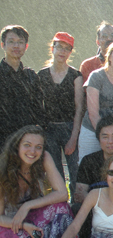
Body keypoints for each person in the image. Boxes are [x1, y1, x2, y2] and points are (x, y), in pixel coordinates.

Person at [0, 125, 77, 238]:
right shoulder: (4, 169)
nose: (32, 151)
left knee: (62, 208)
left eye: (38, 147)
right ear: (17, 146)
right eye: (27, 145)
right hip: (10, 225)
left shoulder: (44, 158)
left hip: (33, 218)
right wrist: (23, 225)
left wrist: (27, 206)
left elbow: (63, 193)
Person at [38, 32, 84, 197]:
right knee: (54, 174)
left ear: (70, 52)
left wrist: (73, 137)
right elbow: (38, 107)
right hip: (48, 129)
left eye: (67, 48)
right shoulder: (41, 76)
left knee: (75, 173)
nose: (62, 52)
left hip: (69, 127)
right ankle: (58, 209)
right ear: (53, 48)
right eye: (59, 47)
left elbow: (79, 108)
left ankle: (76, 209)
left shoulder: (75, 76)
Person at [78, 40, 113, 162]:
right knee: (87, 168)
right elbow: (93, 113)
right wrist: (105, 138)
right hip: (92, 131)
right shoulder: (97, 76)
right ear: (109, 57)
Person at [0, 25, 45, 148]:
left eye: (20, 42)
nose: (16, 46)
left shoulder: (31, 76)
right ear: (2, 45)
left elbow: (39, 111)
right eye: (11, 42)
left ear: (26, 46)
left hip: (26, 143)